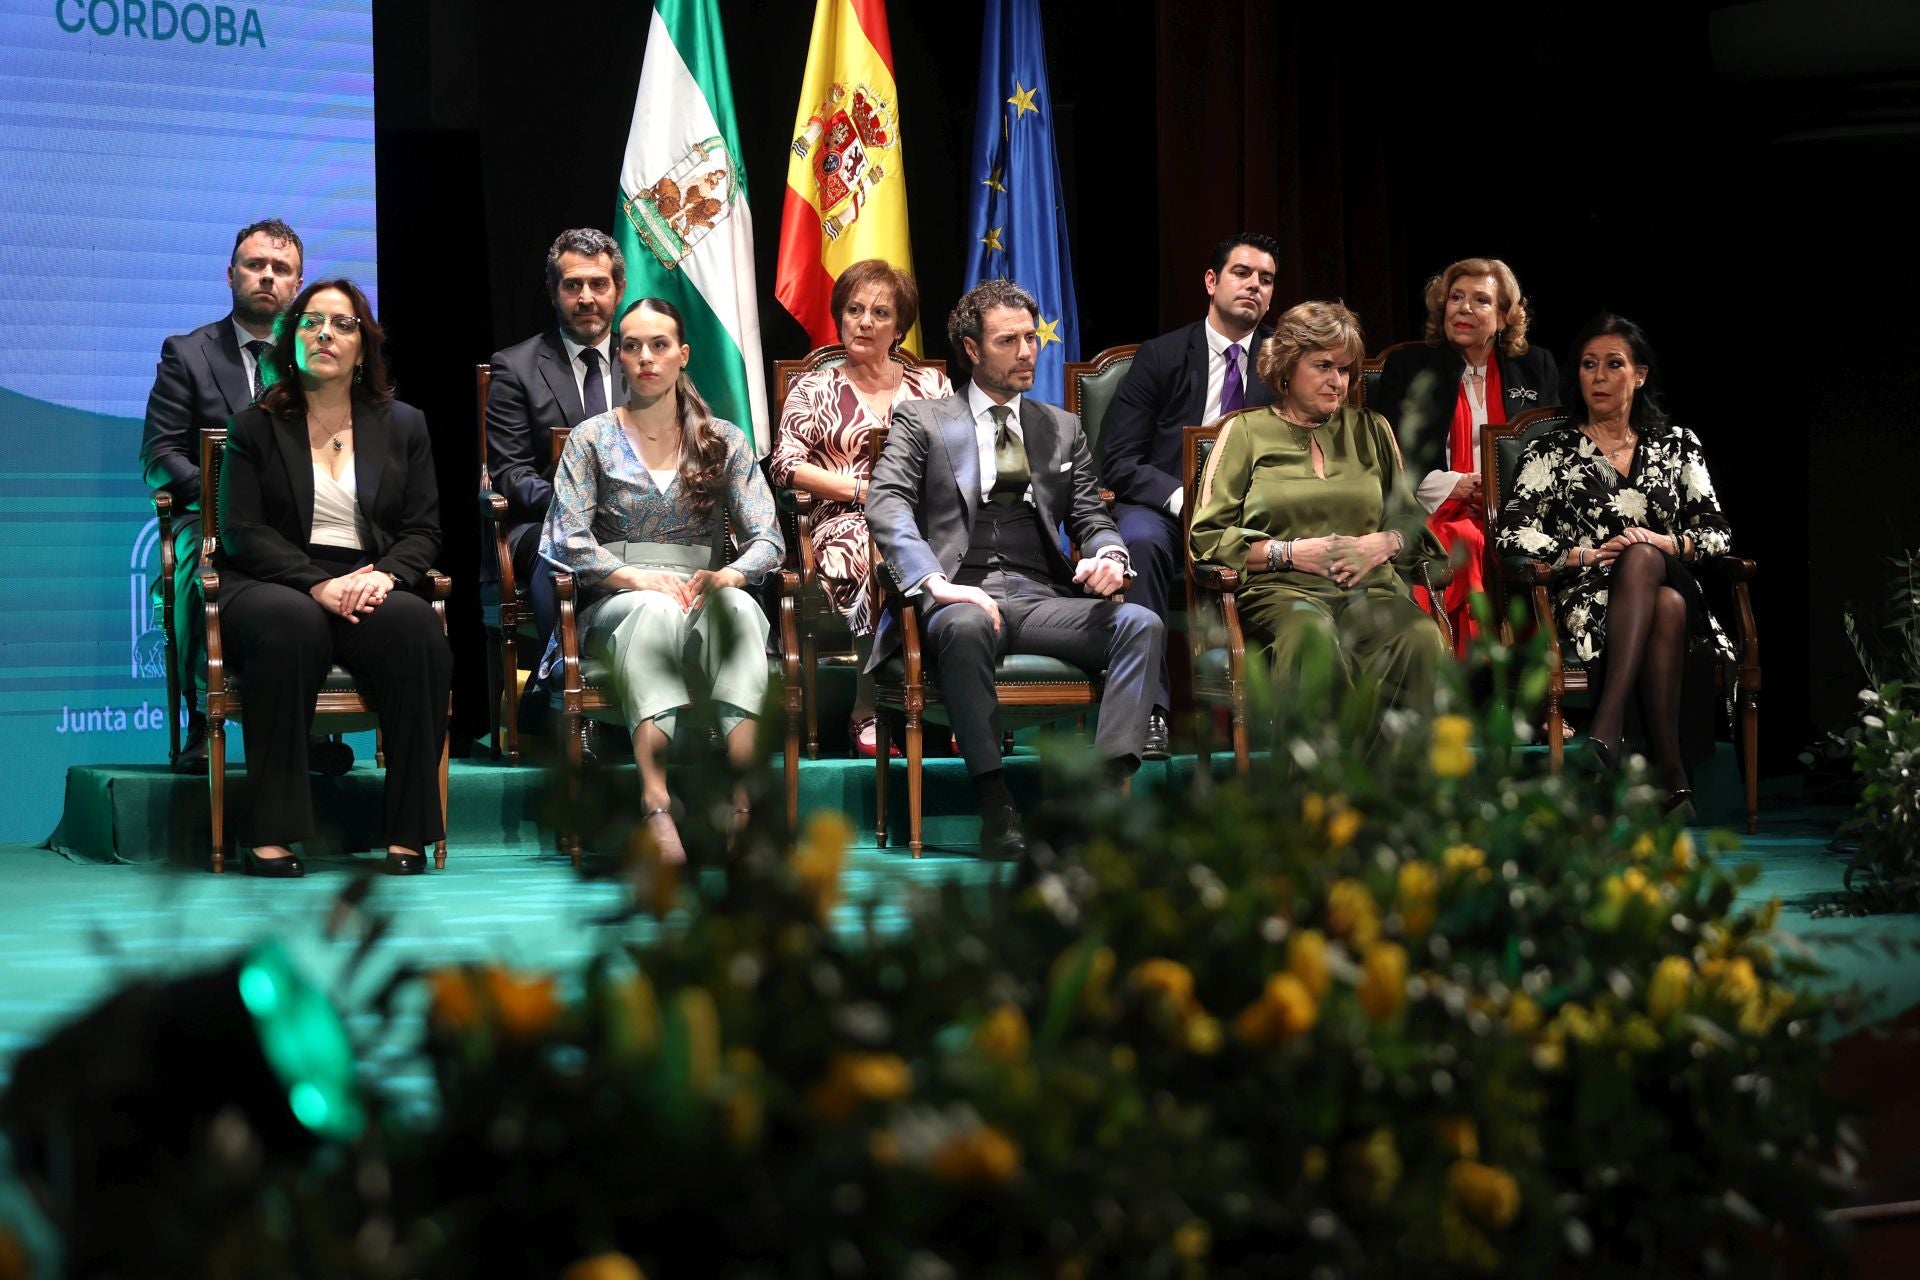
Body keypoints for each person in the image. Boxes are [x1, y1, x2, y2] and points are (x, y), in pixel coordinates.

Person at [866, 280, 1166, 861]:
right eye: (1010, 341)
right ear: (973, 350)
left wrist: (1109, 554)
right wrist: (935, 583)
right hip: (960, 590)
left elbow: (1090, 514)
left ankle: (1101, 799)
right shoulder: (922, 420)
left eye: (1032, 338)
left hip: (1038, 594)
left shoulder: (1060, 427)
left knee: (1142, 624)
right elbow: (887, 503)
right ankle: (995, 800)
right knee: (964, 624)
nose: (1028, 351)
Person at [216, 279, 452, 877]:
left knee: (416, 628)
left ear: (363, 345)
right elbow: (241, 530)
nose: (325, 334)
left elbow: (423, 530)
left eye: (342, 324)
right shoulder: (253, 426)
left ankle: (408, 830)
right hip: (271, 579)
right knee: (292, 625)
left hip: (367, 574)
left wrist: (389, 578)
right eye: (311, 322)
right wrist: (313, 582)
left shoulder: (404, 425)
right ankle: (272, 831)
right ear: (290, 340)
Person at [538, 297, 783, 864]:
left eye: (659, 345)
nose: (645, 357)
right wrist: (633, 577)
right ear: (618, 357)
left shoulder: (723, 439)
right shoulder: (591, 438)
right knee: (655, 611)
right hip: (619, 598)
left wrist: (730, 576)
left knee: (744, 613)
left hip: (700, 589)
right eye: (631, 346)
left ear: (683, 354)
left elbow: (768, 539)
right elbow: (565, 539)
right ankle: (656, 804)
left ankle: (744, 805)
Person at [1494, 314, 1734, 812]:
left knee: (1647, 558)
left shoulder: (1679, 446)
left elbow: (1717, 534)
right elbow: (1510, 532)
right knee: (1665, 606)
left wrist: (1666, 545)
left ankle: (1605, 727)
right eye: (1588, 365)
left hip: (1671, 570)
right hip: (1589, 596)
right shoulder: (1551, 452)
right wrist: (1578, 554)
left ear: (1639, 375)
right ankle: (1672, 773)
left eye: (1613, 364)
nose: (1599, 377)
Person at [1188, 300, 1446, 745]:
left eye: (1345, 370)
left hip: (1370, 589)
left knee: (1419, 637)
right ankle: (1324, 801)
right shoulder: (1245, 431)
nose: (1337, 381)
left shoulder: (1372, 428)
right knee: (1312, 637)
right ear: (1287, 368)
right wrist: (1290, 553)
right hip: (1282, 592)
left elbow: (1408, 519)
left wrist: (1383, 543)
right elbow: (1207, 538)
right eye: (1323, 365)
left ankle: (1401, 796)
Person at [1098, 232, 1280, 753]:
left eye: (1265, 279)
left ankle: (1273, 712)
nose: (1253, 286)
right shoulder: (1160, 356)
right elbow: (1120, 460)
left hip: (1254, 512)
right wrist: (1183, 499)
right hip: (1164, 508)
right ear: (1211, 281)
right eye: (1242, 273)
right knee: (1140, 542)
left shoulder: (1281, 362)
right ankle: (1148, 711)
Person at [768, 258, 952, 756]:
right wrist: (861, 491)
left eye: (879, 312)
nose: (864, 322)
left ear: (899, 328)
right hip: (845, 523)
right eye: (853, 310)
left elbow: (959, 461)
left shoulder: (932, 388)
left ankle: (953, 696)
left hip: (925, 520)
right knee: (875, 549)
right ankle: (867, 706)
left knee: (963, 549)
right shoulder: (814, 388)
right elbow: (785, 465)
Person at [140, 219, 304, 772]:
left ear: (297, 285)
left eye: (280, 269)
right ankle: (197, 724)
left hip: (294, 526)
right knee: (194, 565)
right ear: (230, 274)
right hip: (206, 519)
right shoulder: (187, 353)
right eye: (255, 265)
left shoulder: (316, 360)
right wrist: (225, 499)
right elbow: (160, 457)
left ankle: (309, 730)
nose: (266, 277)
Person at [1375, 257, 1558, 654]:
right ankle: (1471, 670)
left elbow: (1549, 449)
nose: (1464, 308)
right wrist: (1454, 485)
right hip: (1432, 505)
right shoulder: (1408, 367)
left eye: (1481, 300)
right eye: (1456, 298)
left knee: (1482, 537)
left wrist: (1499, 490)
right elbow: (1388, 452)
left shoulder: (1534, 367)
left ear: (1505, 316)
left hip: (1514, 508)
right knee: (1465, 539)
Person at [485, 228, 627, 666]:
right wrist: (580, 506)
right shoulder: (515, 367)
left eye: (598, 284)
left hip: (637, 521)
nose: (586, 297)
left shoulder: (645, 361)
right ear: (552, 292)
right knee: (563, 553)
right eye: (573, 285)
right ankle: (569, 697)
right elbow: (510, 473)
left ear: (619, 290)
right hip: (545, 525)